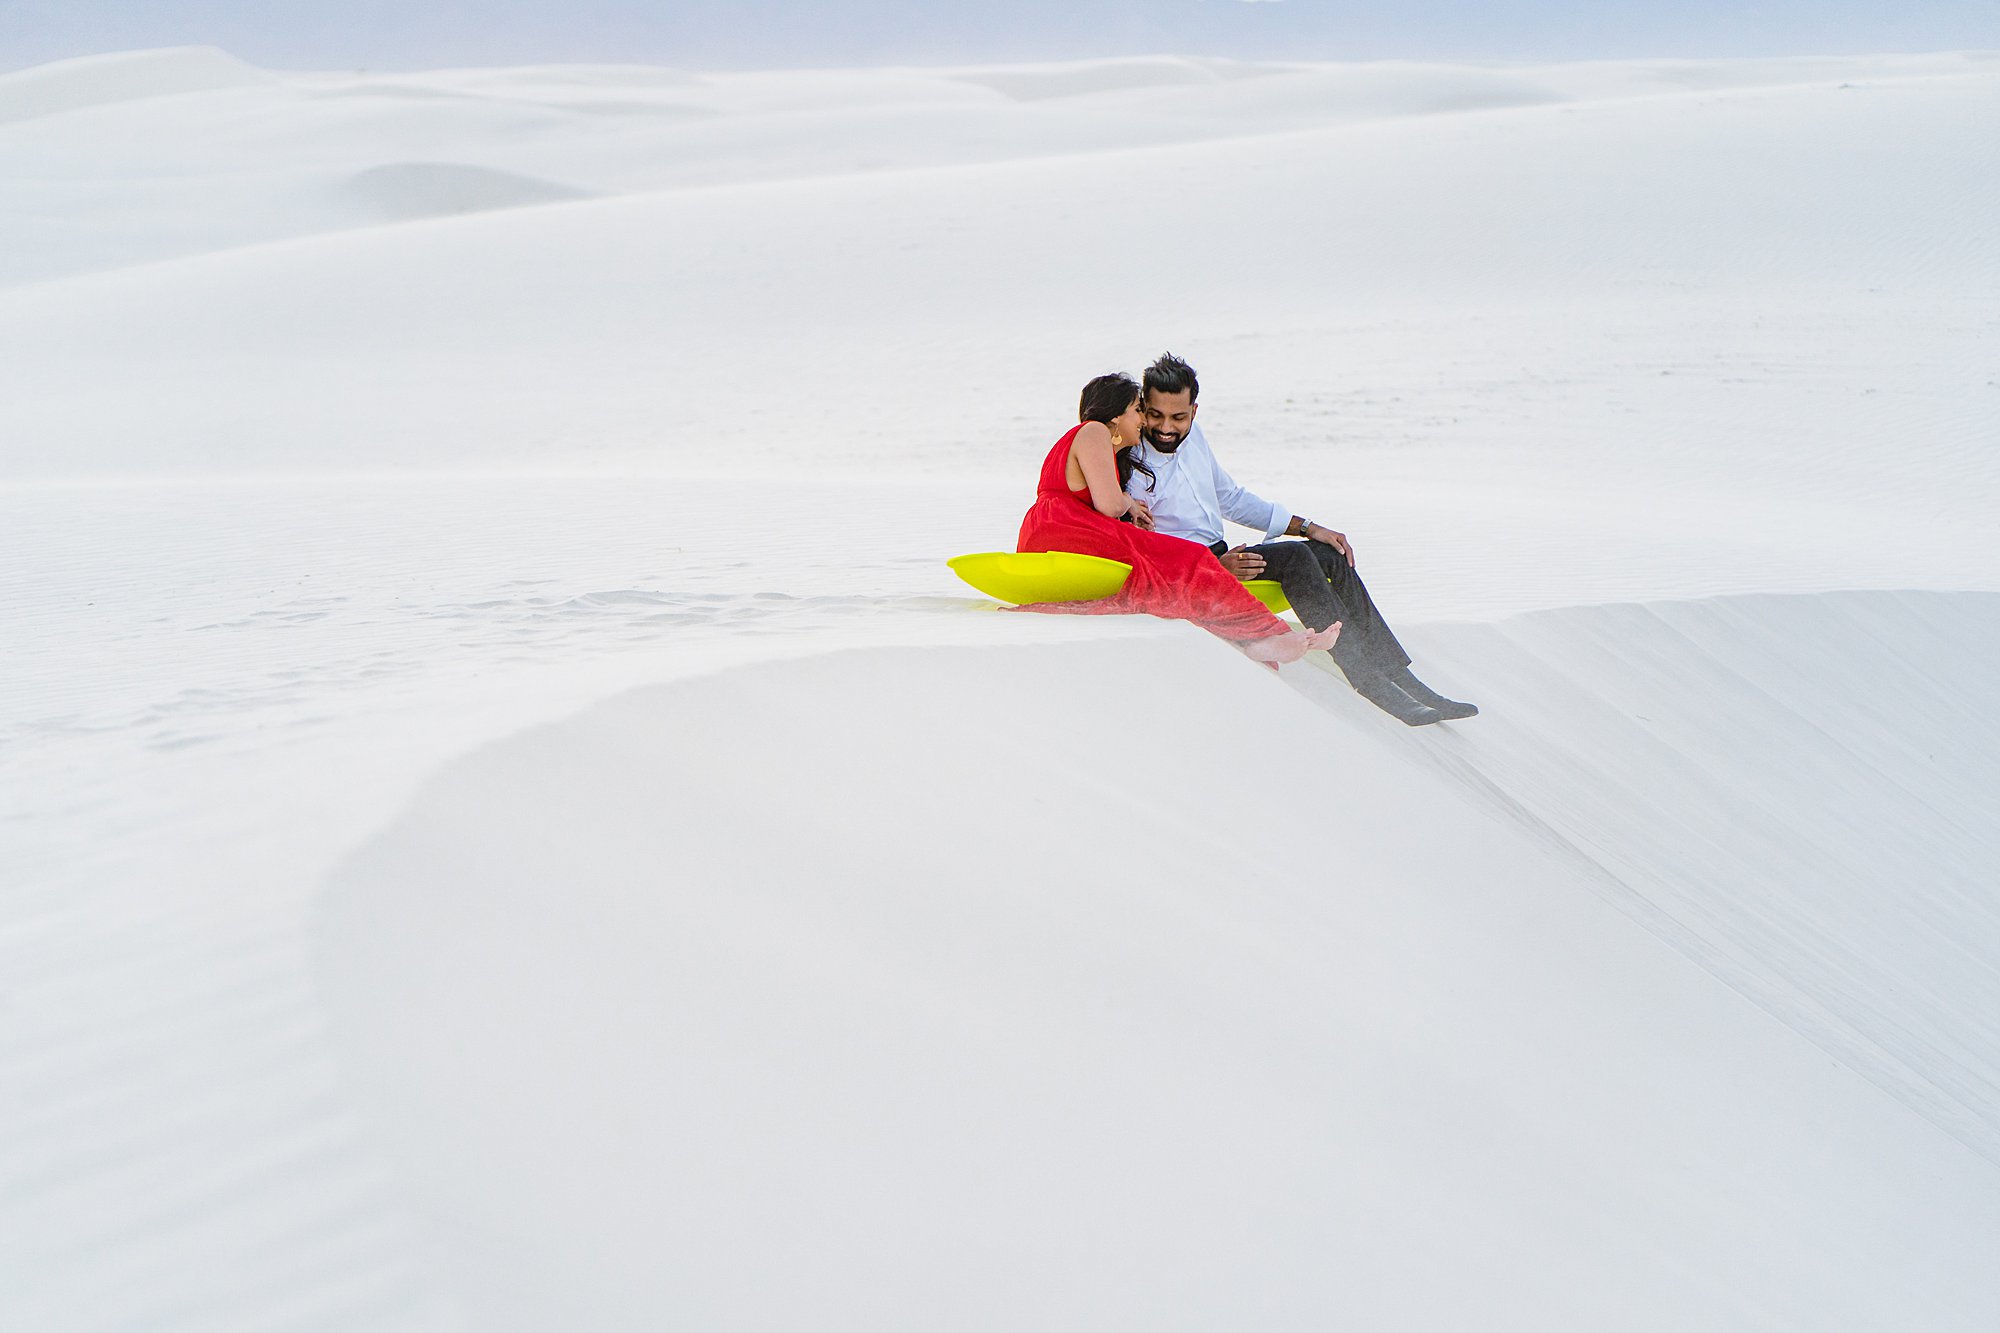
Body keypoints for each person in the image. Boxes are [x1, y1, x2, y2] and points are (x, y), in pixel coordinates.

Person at [1127, 353, 1478, 725]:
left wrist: (1310, 527)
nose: (1166, 427)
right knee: (1295, 559)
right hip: (1193, 573)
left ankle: (1403, 678)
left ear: (1194, 412)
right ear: (1142, 407)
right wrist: (1212, 566)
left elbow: (1230, 498)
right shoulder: (1131, 463)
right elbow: (1142, 546)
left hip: (1223, 557)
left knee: (1327, 553)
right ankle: (1372, 683)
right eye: (1155, 415)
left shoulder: (1194, 438)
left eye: (1178, 417)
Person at [1015, 373, 1341, 667]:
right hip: (1062, 529)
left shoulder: (1097, 439)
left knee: (1170, 563)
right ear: (1117, 416)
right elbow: (1110, 505)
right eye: (1137, 410)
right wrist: (1127, 502)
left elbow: (1108, 503)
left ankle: (1260, 635)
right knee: (1187, 558)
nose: (1143, 420)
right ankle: (1262, 634)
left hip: (1067, 526)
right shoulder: (1095, 431)